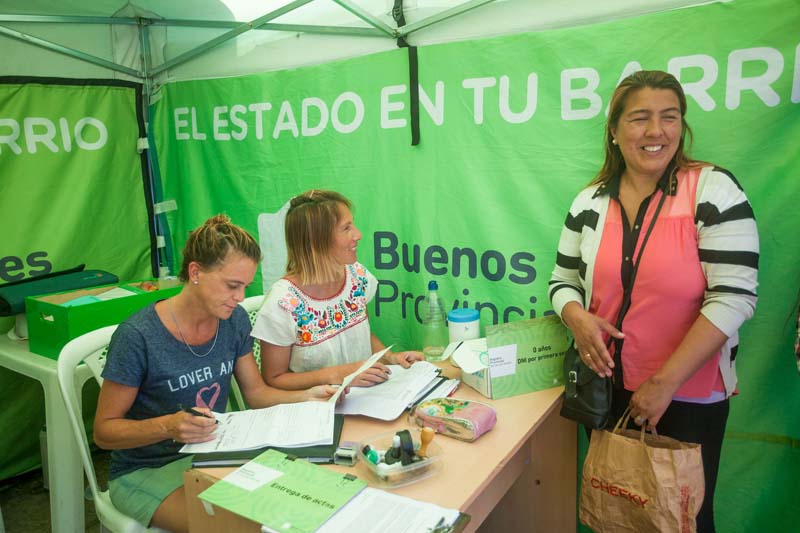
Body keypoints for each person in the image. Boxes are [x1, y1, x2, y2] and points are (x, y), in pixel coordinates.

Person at [549, 70, 758, 532]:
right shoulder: (590, 201)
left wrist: (664, 383)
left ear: (681, 126)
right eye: (639, 118)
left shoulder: (713, 190)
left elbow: (735, 297)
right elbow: (561, 281)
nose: (655, 131)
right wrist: (577, 317)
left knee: (682, 519)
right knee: (619, 513)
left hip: (687, 395)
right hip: (606, 389)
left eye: (669, 117)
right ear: (614, 128)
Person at [94, 215, 337, 532]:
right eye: (232, 285)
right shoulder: (138, 337)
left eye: (245, 287)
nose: (239, 298)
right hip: (147, 469)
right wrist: (169, 426)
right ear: (195, 272)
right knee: (243, 528)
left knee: (299, 509)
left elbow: (257, 393)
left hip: (213, 455)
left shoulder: (232, 320)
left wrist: (308, 397)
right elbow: (104, 432)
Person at [252, 189, 424, 390]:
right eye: (346, 228)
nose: (358, 235)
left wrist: (390, 358)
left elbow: (363, 335)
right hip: (315, 410)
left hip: (363, 399)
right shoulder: (282, 303)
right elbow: (274, 378)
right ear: (316, 240)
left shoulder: (357, 276)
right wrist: (338, 376)